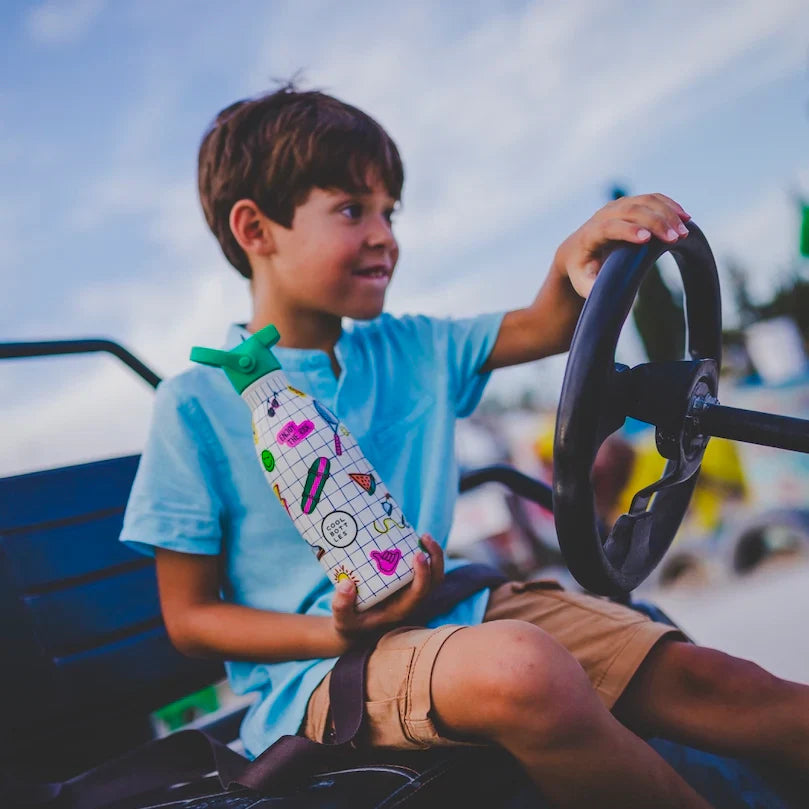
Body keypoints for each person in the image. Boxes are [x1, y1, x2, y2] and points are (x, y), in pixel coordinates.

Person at [120, 85, 809, 809]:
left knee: (712, 681)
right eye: (352, 210)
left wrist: (574, 255)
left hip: (466, 608)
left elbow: (547, 324)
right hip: (323, 672)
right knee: (523, 670)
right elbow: (190, 618)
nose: (384, 235)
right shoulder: (195, 405)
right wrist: (332, 630)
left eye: (389, 212)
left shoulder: (411, 347)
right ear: (256, 229)